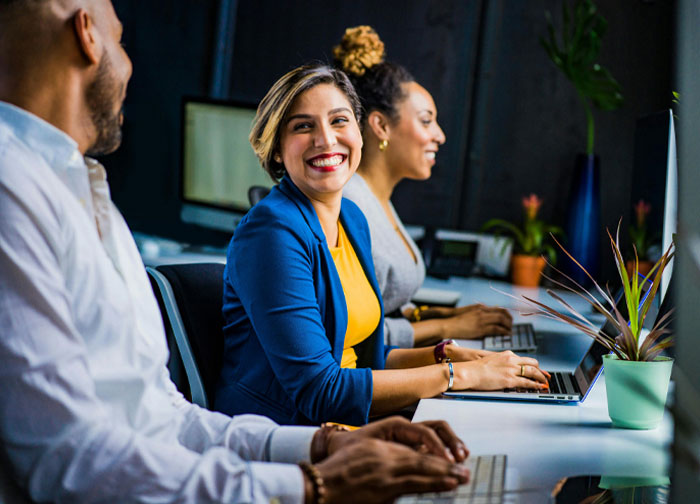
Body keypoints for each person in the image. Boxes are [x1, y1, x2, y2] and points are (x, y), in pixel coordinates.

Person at [0, 1, 472, 502]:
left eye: (338, 121)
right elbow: (71, 461)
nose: (130, 63)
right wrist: (313, 484)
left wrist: (320, 448)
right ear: (87, 35)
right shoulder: (14, 190)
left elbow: (163, 416)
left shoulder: (83, 192)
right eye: (121, 40)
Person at [216, 63, 550, 427]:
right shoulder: (271, 232)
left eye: (339, 121)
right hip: (285, 437)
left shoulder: (352, 219)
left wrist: (450, 357)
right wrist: (460, 376)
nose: (326, 139)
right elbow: (320, 390)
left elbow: (365, 360)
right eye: (303, 126)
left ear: (360, 133)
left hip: (348, 426)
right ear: (277, 149)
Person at [337, 25, 516, 348]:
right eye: (425, 120)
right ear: (380, 125)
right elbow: (356, 337)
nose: (440, 135)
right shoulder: (350, 207)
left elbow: (383, 306)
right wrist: (448, 328)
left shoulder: (377, 199)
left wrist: (440, 315)